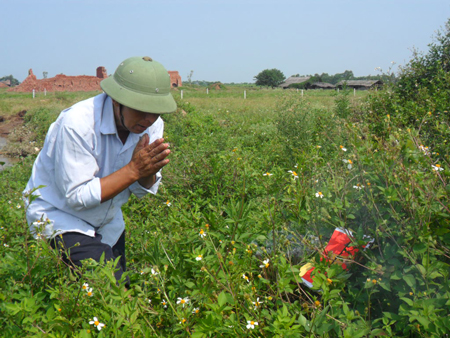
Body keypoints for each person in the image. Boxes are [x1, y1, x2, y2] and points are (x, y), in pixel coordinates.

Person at [23, 56, 176, 284]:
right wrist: (134, 169)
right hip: (62, 217)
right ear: (116, 100)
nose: (148, 118)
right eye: (140, 109)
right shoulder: (78, 124)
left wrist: (147, 171)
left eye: (155, 111)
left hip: (108, 221)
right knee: (112, 289)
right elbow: (77, 197)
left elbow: (143, 191)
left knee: (115, 288)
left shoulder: (152, 124)